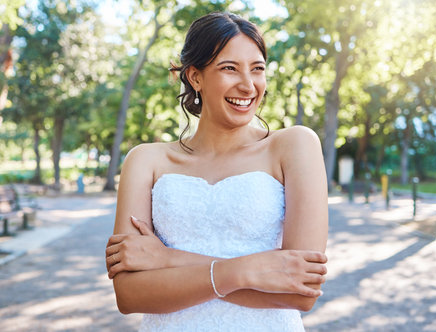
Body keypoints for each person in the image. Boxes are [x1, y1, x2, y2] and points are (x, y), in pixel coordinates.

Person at [105, 12, 328, 332]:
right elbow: (129, 295)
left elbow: (299, 292)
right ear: (195, 77)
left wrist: (167, 260)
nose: (248, 85)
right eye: (229, 68)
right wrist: (250, 271)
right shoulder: (145, 161)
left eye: (258, 69)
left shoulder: (293, 146)